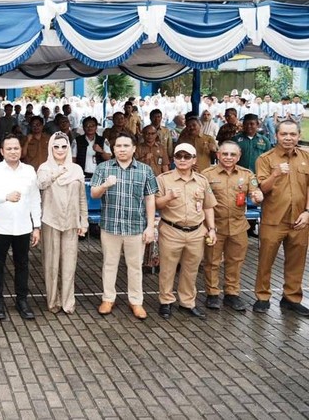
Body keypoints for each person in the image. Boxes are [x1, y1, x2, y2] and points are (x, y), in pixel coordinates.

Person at [90, 132, 156, 320]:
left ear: (134, 148)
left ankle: (136, 301)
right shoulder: (104, 168)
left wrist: (150, 226)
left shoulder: (144, 170)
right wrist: (105, 186)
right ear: (113, 148)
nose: (122, 149)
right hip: (110, 225)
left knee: (135, 266)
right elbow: (94, 193)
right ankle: (108, 298)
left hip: (136, 226)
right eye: (118, 146)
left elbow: (150, 198)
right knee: (109, 264)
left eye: (126, 146)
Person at [155, 143, 218, 320]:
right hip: (171, 229)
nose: (182, 160)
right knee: (167, 268)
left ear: (194, 160)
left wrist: (212, 229)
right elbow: (156, 205)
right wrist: (168, 197)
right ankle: (165, 301)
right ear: (173, 159)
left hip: (196, 231)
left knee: (191, 269)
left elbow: (208, 207)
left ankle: (187, 302)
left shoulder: (202, 180)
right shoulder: (163, 179)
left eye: (187, 156)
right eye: (178, 156)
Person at [253, 120, 309, 316]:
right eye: (284, 134)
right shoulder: (265, 159)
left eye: (292, 134)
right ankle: (262, 296)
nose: (288, 138)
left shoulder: (306, 157)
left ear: (298, 136)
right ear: (276, 135)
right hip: (273, 219)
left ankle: (291, 298)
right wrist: (275, 174)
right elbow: (262, 189)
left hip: (300, 220)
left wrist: (307, 212)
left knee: (297, 260)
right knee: (266, 259)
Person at [0, 135, 41, 320]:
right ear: (2, 151)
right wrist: (5, 197)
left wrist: (37, 225)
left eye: (16, 148)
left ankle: (22, 300)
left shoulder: (30, 170)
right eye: (9, 149)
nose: (13, 152)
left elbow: (35, 199)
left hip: (23, 226)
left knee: (22, 265)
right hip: (1, 226)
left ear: (21, 150)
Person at [201, 142, 263, 311]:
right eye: (225, 154)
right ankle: (212, 294)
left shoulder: (247, 174)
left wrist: (258, 196)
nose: (229, 157)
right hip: (215, 225)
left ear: (239, 156)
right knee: (212, 261)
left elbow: (254, 192)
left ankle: (231, 294)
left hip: (238, 225)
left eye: (232, 155)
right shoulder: (206, 174)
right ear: (218, 155)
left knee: (235, 261)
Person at [37, 133, 88, 314]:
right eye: (56, 146)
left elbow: (82, 198)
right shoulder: (44, 168)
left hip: (71, 222)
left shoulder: (76, 169)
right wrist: (55, 173)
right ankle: (53, 302)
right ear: (50, 148)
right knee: (51, 263)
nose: (60, 150)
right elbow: (40, 184)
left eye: (63, 146)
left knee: (69, 264)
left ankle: (68, 302)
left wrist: (84, 220)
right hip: (50, 220)